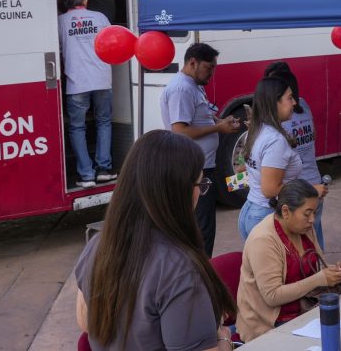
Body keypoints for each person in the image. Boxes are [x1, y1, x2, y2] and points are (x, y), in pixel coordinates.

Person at [74, 130, 236, 350]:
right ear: (177, 193)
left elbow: (85, 322)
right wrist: (224, 338)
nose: (200, 194)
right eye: (200, 185)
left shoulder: (96, 245)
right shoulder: (179, 268)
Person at [237, 179, 341, 341]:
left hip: (305, 310)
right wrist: (320, 278)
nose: (312, 220)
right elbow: (272, 296)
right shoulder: (263, 240)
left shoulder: (304, 229)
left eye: (314, 213)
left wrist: (334, 272)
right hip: (270, 324)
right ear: (285, 211)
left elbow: (313, 269)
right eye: (307, 213)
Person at [161, 43, 240, 257]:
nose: (212, 73)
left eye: (214, 68)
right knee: (201, 226)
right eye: (209, 68)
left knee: (205, 224)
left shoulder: (194, 86)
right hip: (195, 169)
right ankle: (202, 274)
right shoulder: (181, 88)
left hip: (205, 166)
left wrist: (222, 121)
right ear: (192, 62)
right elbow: (180, 131)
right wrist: (218, 127)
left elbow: (200, 116)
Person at [238, 77, 326, 240]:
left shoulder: (258, 129)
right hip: (266, 215)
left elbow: (247, 167)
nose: (294, 103)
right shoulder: (275, 140)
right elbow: (270, 190)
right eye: (289, 98)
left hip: (251, 210)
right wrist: (310, 191)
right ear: (274, 102)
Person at [264, 61, 327, 249]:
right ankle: (322, 273)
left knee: (302, 245)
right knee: (315, 237)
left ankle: (317, 275)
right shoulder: (304, 105)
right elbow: (313, 134)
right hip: (315, 181)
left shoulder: (277, 122)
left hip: (298, 191)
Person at [58, 0, 116, 189]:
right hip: (101, 78)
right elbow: (114, 41)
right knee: (103, 122)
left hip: (76, 83)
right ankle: (104, 170)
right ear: (85, 1)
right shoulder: (99, 17)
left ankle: (86, 175)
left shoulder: (60, 22)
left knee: (77, 127)